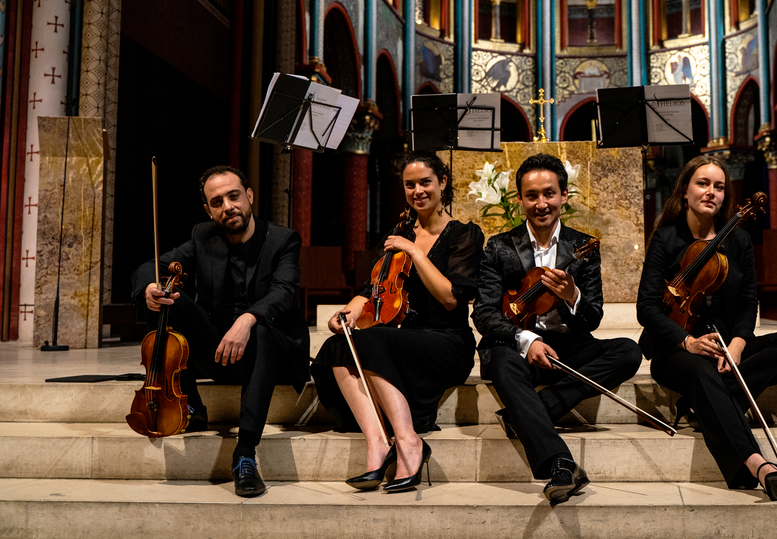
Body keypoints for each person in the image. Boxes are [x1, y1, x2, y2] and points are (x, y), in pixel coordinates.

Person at [636, 155, 777, 500]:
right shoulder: (666, 238)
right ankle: (758, 465)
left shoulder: (739, 241)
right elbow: (646, 308)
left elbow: (749, 303)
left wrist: (737, 344)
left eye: (719, 186)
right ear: (685, 191)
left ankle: (700, 404)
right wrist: (686, 341)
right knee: (702, 372)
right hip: (675, 351)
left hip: (725, 348)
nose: (711, 192)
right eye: (703, 184)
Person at [472, 153, 642, 505]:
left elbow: (592, 317)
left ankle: (534, 409)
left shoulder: (583, 248)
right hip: (517, 345)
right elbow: (484, 314)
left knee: (628, 350)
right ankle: (560, 463)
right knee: (503, 361)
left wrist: (573, 296)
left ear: (564, 196)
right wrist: (527, 339)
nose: (541, 203)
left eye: (549, 193)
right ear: (519, 200)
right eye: (531, 195)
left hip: (567, 344)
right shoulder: (500, 247)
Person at [311, 151, 483, 492]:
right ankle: (378, 443)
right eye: (409, 185)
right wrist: (350, 311)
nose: (417, 190)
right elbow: (371, 289)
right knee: (338, 344)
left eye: (425, 182)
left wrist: (416, 251)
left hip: (446, 341)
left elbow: (451, 298)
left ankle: (409, 441)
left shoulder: (465, 234)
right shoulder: (399, 232)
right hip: (404, 339)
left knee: (372, 341)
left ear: (442, 183)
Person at [133, 166, 307, 498]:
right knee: (170, 297)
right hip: (220, 350)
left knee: (262, 330)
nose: (227, 206)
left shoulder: (283, 239)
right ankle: (191, 406)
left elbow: (284, 292)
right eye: (217, 201)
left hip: (272, 352)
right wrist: (150, 287)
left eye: (234, 196)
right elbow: (150, 265)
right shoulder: (203, 236)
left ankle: (244, 452)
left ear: (249, 196)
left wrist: (248, 319)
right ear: (209, 210)